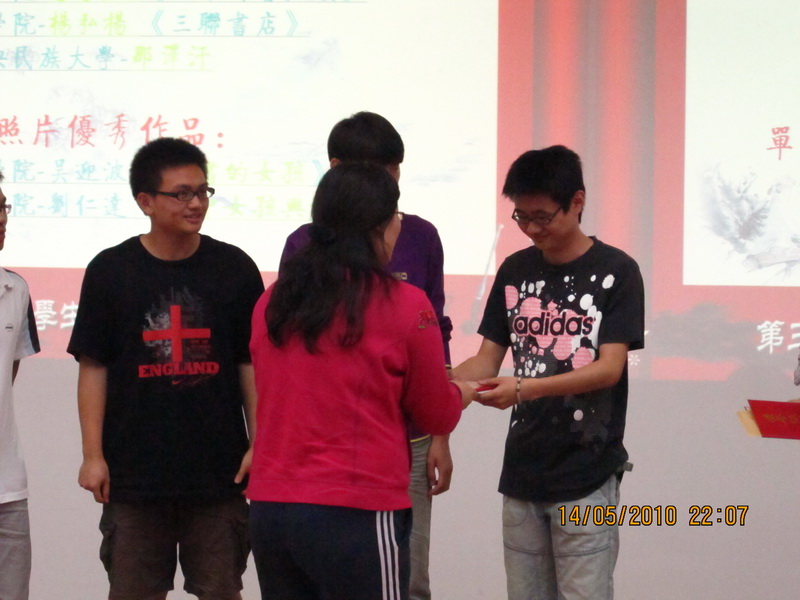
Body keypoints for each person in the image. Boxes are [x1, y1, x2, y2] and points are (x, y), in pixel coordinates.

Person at [248, 162, 475, 600]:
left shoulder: (273, 300)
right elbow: (434, 412)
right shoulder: (406, 303)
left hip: (272, 510)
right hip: (357, 510)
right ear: (379, 227)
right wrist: (459, 393)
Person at [67, 138, 264, 600]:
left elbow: (251, 366)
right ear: (146, 201)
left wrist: (262, 444)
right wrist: (92, 455)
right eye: (181, 194)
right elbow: (93, 368)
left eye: (202, 191)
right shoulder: (110, 271)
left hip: (219, 474)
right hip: (133, 476)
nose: (196, 203)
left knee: (221, 590)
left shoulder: (234, 268)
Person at [452, 146, 645, 600]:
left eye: (542, 217)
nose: (532, 229)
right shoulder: (515, 270)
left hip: (587, 474)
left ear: (577, 201)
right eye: (521, 217)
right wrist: (442, 381)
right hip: (522, 472)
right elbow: (486, 361)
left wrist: (524, 388)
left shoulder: (617, 271)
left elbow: (609, 369)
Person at [280, 111, 452, 600]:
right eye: (376, 171)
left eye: (394, 170)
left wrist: (440, 436)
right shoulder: (303, 245)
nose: (388, 183)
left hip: (408, 437)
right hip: (322, 444)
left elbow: (437, 331)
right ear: (336, 170)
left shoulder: (420, 236)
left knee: (408, 577)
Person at [0, 171, 41, 600]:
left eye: (3, 207)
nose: (1, 219)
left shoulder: (16, 289)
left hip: (7, 488)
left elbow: (6, 378)